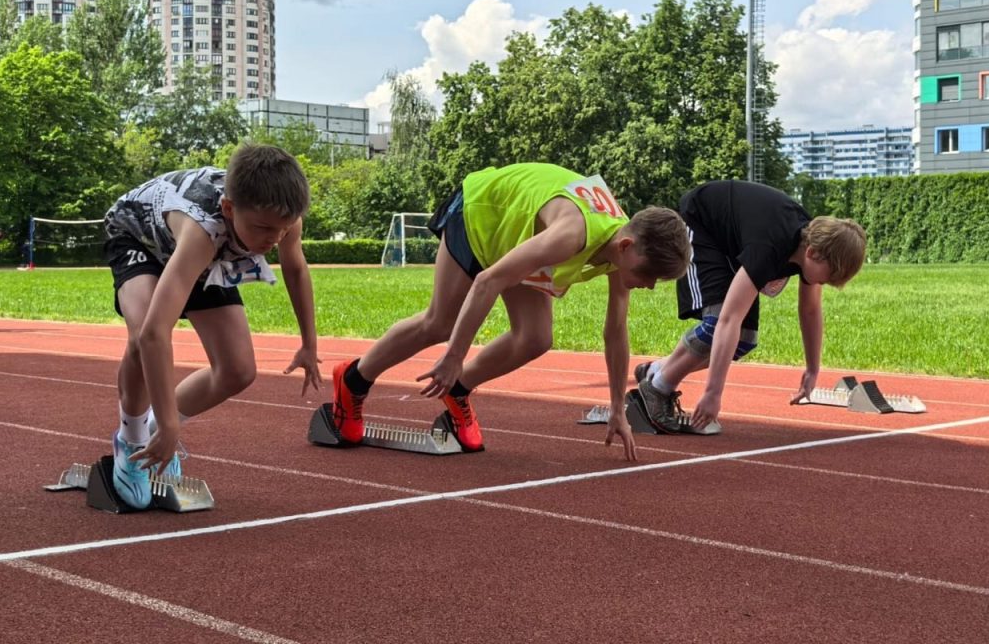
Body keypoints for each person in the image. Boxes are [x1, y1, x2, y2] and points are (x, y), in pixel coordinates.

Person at [331, 162, 691, 461]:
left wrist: (616, 407)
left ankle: (457, 391)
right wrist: (454, 355)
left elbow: (616, 331)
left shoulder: (620, 244)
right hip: (479, 214)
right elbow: (488, 281)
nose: (649, 285)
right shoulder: (572, 235)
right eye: (649, 275)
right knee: (440, 323)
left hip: (519, 237)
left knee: (535, 337)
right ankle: (353, 380)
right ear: (627, 246)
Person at [103, 144, 322, 509]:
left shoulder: (282, 215)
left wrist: (309, 344)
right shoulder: (202, 229)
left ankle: (154, 429)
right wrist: (173, 424)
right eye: (264, 229)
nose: (274, 240)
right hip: (138, 236)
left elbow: (296, 269)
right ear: (229, 208)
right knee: (142, 338)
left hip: (207, 250)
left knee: (237, 370)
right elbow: (155, 334)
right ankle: (132, 440)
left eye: (283, 230)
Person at [632, 179, 866, 433]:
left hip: (734, 240)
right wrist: (713, 393)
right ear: (812, 253)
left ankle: (656, 370)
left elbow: (810, 310)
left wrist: (812, 368)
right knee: (718, 321)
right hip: (702, 223)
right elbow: (728, 320)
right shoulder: (769, 247)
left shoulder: (808, 245)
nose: (826, 283)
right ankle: (657, 389)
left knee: (745, 339)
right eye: (828, 276)